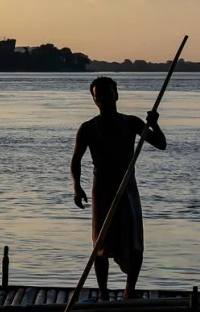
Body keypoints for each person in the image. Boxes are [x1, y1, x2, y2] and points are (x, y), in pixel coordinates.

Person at [71, 76, 169, 299]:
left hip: (127, 187)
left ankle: (129, 290)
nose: (103, 100)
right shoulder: (88, 128)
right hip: (102, 188)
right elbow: (76, 160)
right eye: (98, 97)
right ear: (94, 100)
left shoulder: (131, 122)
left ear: (116, 95)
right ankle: (103, 293)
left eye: (107, 94)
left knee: (134, 241)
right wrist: (77, 187)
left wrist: (154, 124)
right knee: (100, 243)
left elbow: (161, 144)